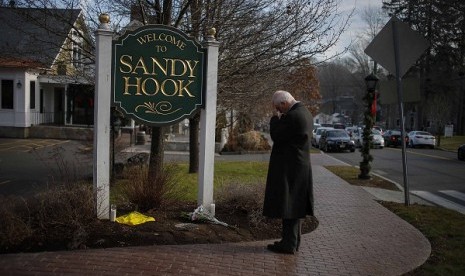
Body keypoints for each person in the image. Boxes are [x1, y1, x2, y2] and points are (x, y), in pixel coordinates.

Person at [263, 90, 314, 254]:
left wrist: (274, 119)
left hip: (291, 168)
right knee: (294, 205)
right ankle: (291, 241)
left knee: (289, 205)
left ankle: (289, 244)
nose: (278, 112)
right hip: (299, 166)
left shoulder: (292, 116)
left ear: (284, 103)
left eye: (279, 108)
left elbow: (277, 136)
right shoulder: (305, 112)